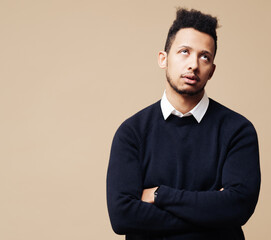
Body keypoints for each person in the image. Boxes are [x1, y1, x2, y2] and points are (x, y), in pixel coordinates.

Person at [106, 8, 261, 240]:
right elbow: (122, 217)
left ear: (212, 71)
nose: (193, 65)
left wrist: (160, 195)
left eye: (204, 56)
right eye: (184, 52)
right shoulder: (132, 132)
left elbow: (237, 208)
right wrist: (212, 216)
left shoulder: (238, 130)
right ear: (163, 59)